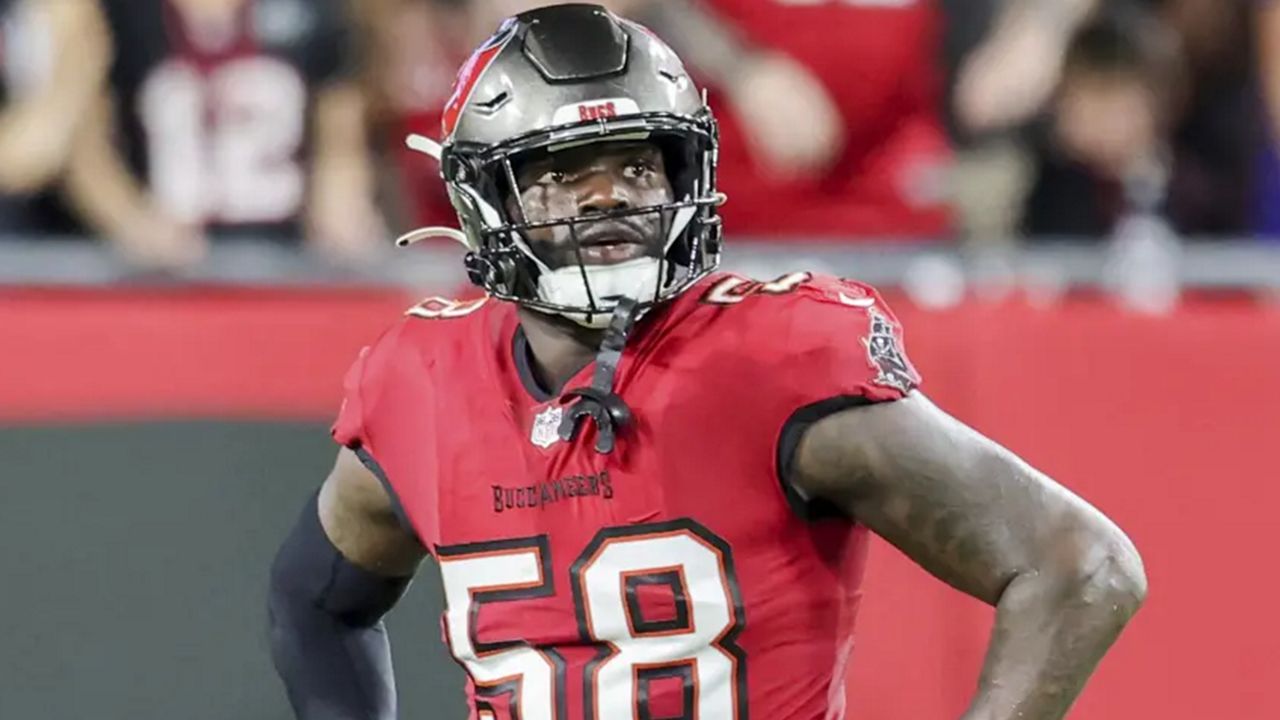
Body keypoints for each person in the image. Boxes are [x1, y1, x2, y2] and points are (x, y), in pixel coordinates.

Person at [268, 5, 1146, 719]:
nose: (607, 196)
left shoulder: (774, 359)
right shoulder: (422, 379)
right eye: (564, 173)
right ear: (485, 198)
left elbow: (1082, 568)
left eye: (637, 164)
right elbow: (313, 605)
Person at [62, 0, 385, 270]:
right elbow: (84, 145)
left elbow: (340, 144)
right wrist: (129, 218)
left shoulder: (315, 13)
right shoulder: (120, 14)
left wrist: (341, 206)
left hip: (287, 259)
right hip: (161, 272)